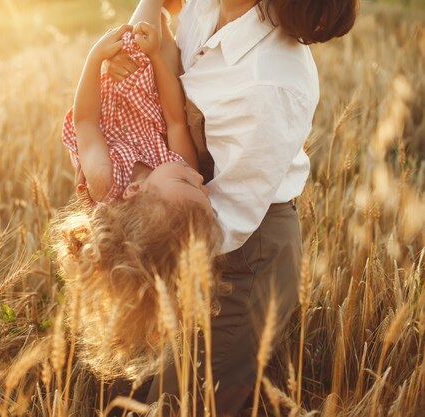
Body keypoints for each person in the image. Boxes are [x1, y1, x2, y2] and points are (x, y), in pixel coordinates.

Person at [107, 0, 358, 415]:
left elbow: (228, 217)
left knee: (182, 404)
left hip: (244, 252)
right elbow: (173, 51)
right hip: (183, 217)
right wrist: (133, 49)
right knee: (133, 391)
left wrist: (142, 217)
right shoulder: (211, 7)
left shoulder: (272, 80)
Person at [52, 10, 222, 382]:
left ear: (136, 191)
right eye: (201, 189)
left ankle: (154, 5)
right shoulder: (176, 164)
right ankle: (160, 14)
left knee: (131, 44)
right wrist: (159, 57)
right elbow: (175, 119)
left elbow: (86, 122)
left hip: (107, 94)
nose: (198, 175)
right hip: (153, 93)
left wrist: (95, 57)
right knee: (150, 47)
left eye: (187, 184)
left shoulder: (105, 179)